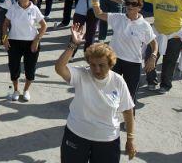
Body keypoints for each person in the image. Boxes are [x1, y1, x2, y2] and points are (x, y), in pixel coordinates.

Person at [55, 24, 137, 163]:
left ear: (111, 64)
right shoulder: (81, 74)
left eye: (101, 65)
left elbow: (128, 111)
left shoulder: (118, 81)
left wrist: (130, 139)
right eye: (93, 65)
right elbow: (59, 68)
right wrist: (73, 44)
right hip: (76, 135)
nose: (97, 69)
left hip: (107, 141)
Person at [91, 0, 157, 106]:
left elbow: (153, 43)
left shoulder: (145, 25)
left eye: (134, 4)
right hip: (114, 60)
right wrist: (95, 1)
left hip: (133, 64)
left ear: (139, 7)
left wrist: (153, 56)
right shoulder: (117, 18)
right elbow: (99, 14)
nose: (130, 6)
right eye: (128, 3)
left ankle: (129, 122)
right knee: (107, 91)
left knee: (129, 97)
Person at [46, 0, 123, 52]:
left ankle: (87, 55)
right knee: (76, 35)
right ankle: (70, 54)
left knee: (90, 36)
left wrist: (125, 3)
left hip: (94, 14)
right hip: (80, 13)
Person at [2, 0, 47, 101]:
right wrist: (5, 39)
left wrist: (36, 40)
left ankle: (26, 90)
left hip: (31, 43)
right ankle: (16, 90)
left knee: (30, 68)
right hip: (14, 42)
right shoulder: (13, 8)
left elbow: (44, 26)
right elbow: (5, 24)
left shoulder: (34, 9)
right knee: (14, 68)